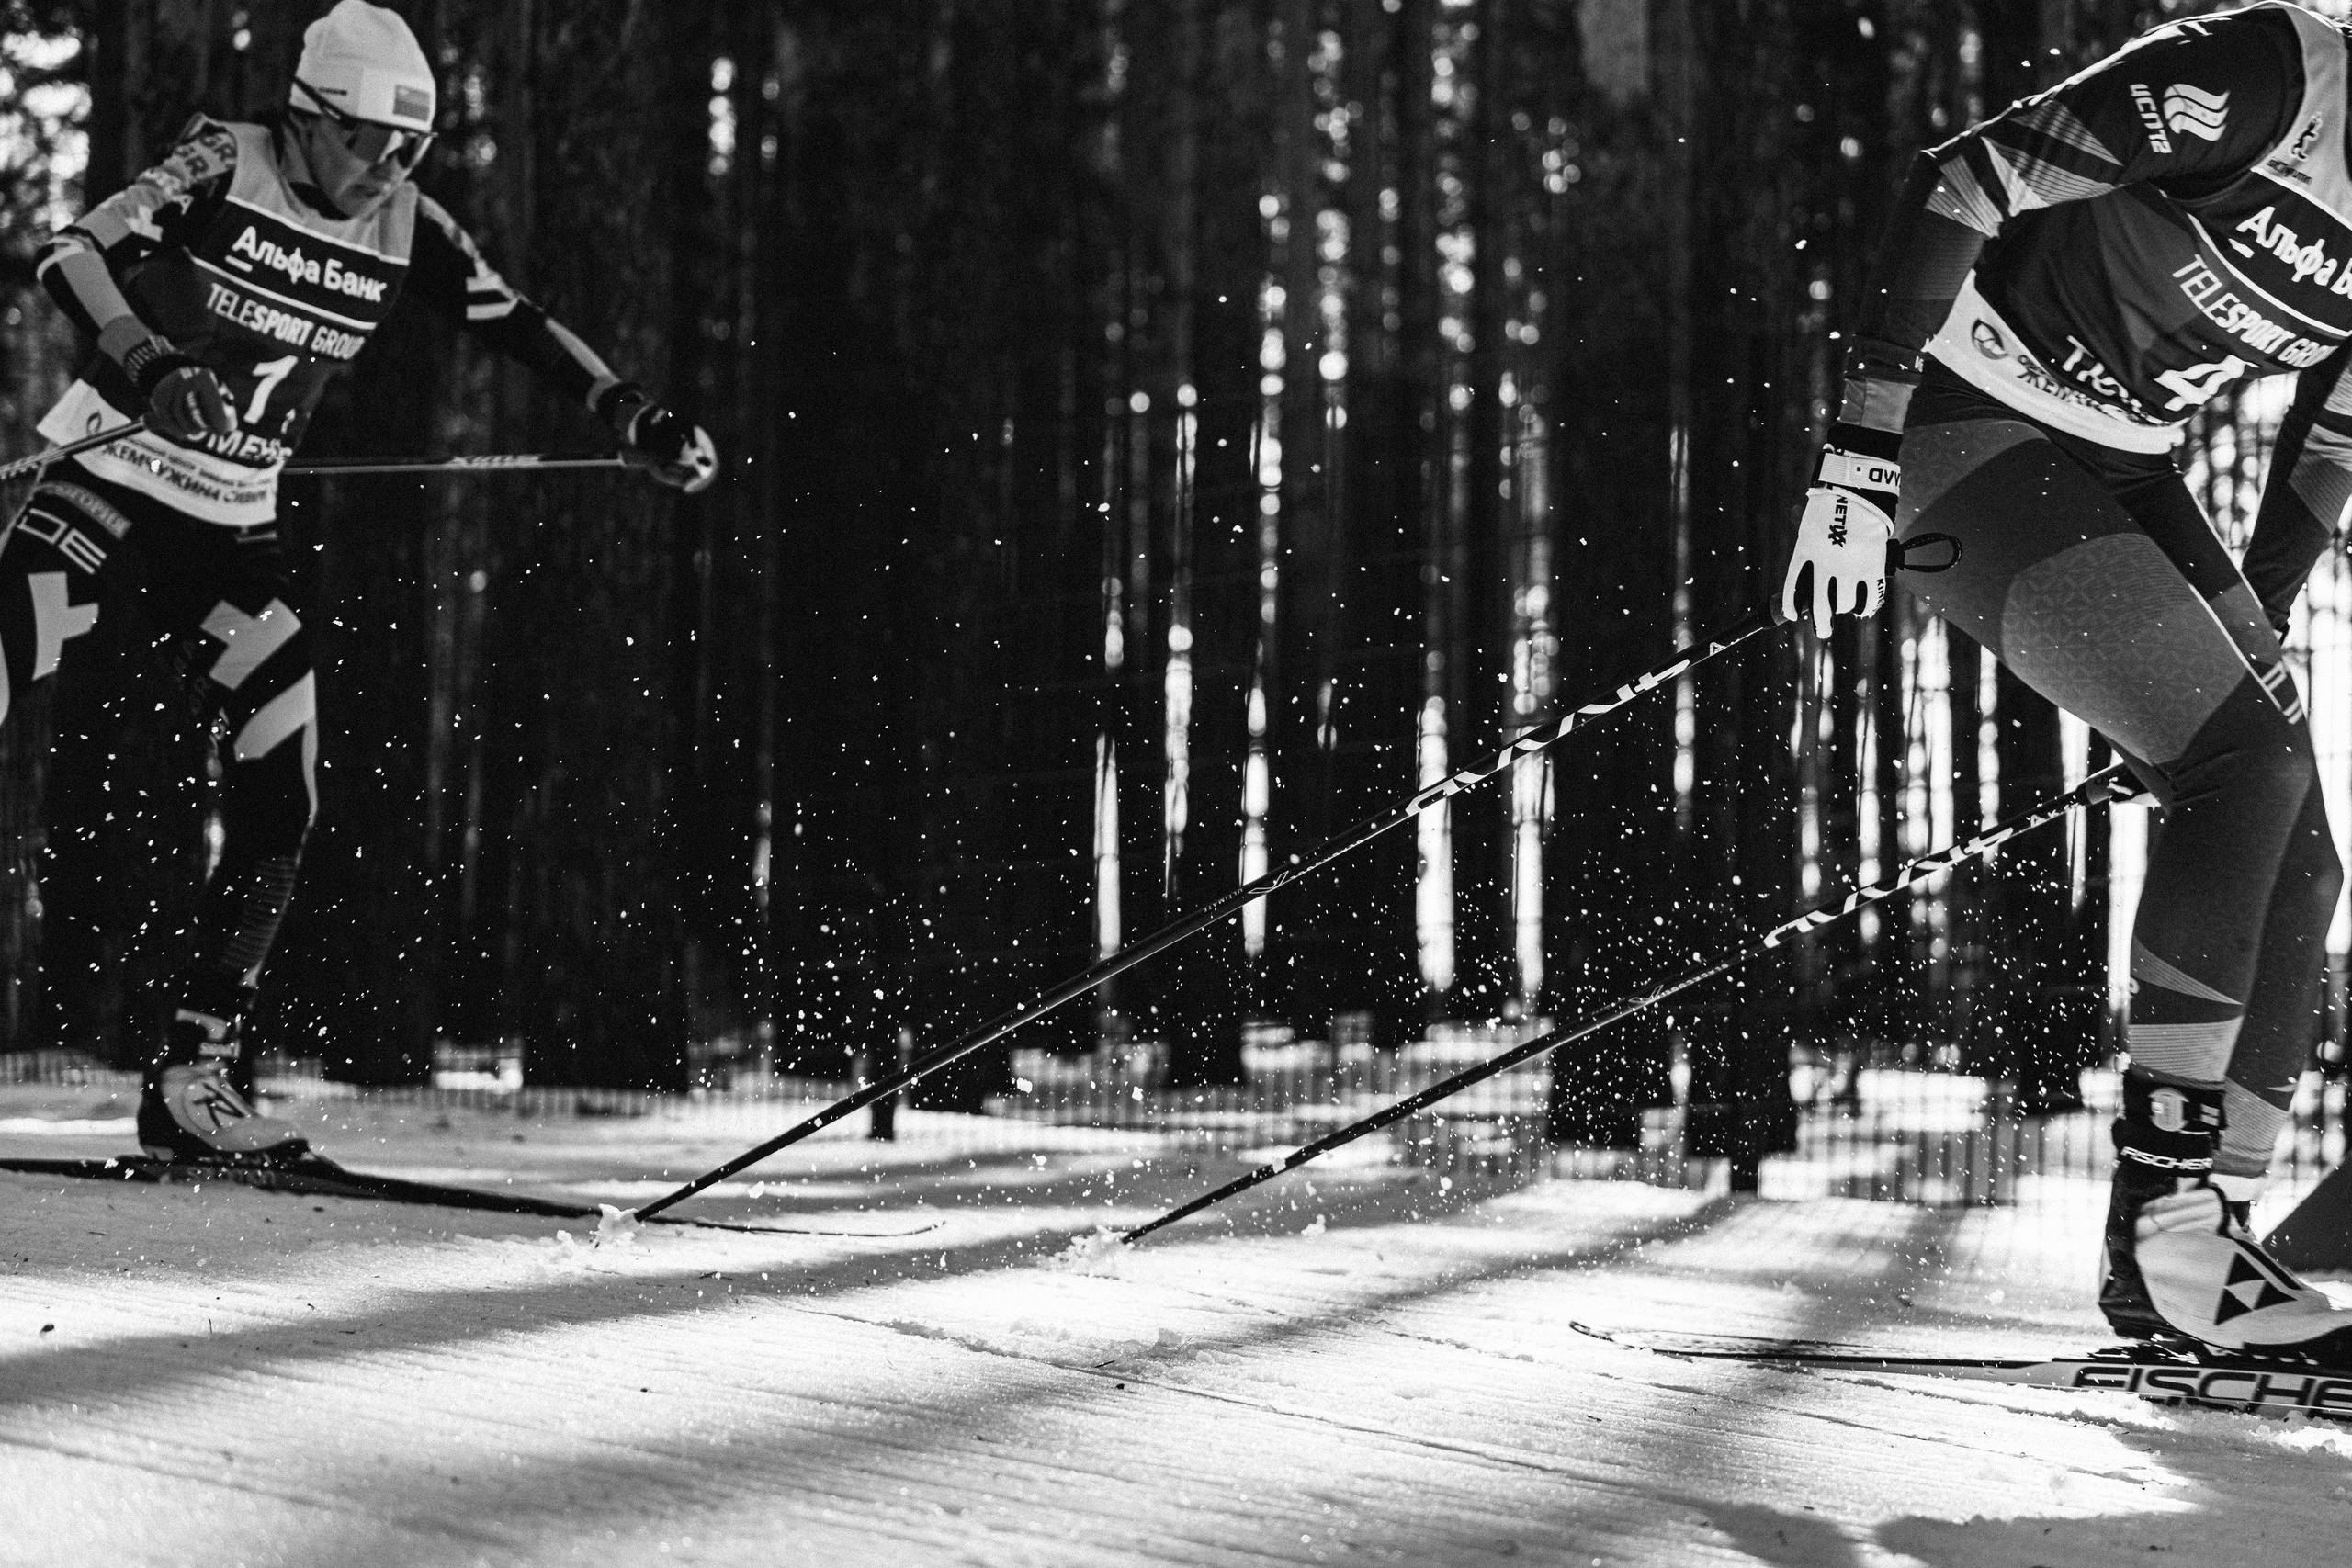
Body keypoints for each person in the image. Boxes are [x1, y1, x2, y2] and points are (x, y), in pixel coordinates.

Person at [0, 1, 716, 1163]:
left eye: (410, 148)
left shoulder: (402, 222)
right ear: (307, 118)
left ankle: (193, 1076)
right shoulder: (222, 160)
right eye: (372, 141)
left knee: (285, 780)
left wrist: (624, 409)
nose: (389, 166)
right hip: (110, 489)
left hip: (227, 534)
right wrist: (153, 363)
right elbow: (70, 253)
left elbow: (510, 318)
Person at [1784, 1, 2352, 1358]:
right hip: (1963, 420)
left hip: (2123, 457)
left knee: (2299, 852)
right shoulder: (2274, 72)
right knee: (2248, 767)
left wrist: (2248, 616)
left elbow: (2336, 427)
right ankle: (2170, 1241)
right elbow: (1966, 174)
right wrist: (1859, 453)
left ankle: (2196, 1241)